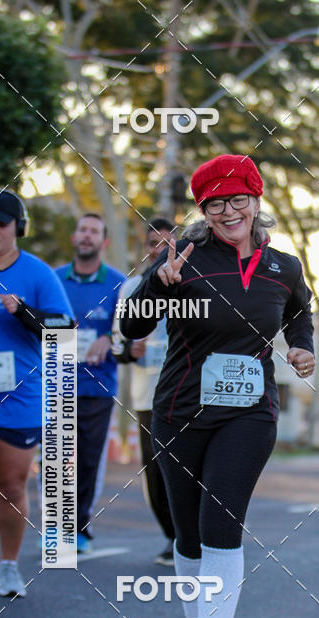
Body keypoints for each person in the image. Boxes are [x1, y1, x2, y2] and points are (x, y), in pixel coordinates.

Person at [120, 154, 314, 618]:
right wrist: (158, 286)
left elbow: (300, 314)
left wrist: (301, 348)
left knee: (220, 524)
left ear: (255, 200)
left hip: (249, 414)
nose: (229, 211)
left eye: (238, 199)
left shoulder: (284, 267)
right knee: (187, 533)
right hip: (180, 412)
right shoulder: (183, 256)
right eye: (215, 203)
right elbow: (131, 327)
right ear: (203, 210)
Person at [0, 189, 74, 595]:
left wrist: (25, 312)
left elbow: (66, 327)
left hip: (19, 396)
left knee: (11, 486)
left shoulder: (38, 274)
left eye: (1, 224)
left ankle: (8, 565)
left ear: (19, 228)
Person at [55, 214, 125, 553]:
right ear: (74, 237)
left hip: (98, 387)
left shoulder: (118, 284)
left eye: (94, 231)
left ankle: (80, 528)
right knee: (56, 461)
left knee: (87, 461)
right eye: (82, 229)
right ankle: (56, 527)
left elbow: (131, 331)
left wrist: (109, 339)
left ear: (104, 242)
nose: (87, 236)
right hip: (55, 384)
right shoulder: (53, 280)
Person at [113, 217, 176, 565]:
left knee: (188, 467)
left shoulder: (192, 283)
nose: (159, 249)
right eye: (154, 243)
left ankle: (192, 536)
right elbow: (116, 341)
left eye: (167, 243)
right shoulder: (131, 288)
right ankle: (172, 536)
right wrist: (128, 349)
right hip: (147, 395)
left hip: (187, 392)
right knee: (155, 471)